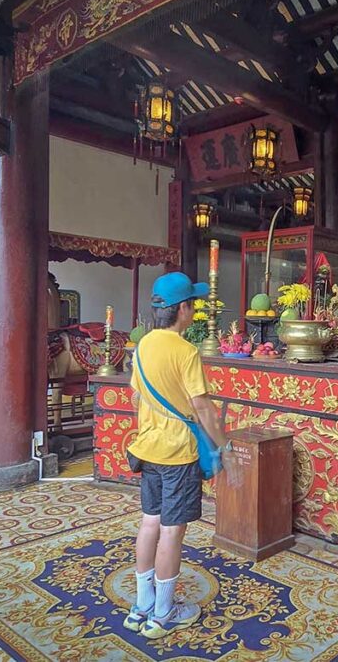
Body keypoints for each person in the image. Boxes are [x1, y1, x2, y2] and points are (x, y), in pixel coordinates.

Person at [123, 272, 231, 639]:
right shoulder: (185, 352)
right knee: (172, 530)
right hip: (178, 453)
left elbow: (136, 396)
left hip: (148, 448)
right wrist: (223, 446)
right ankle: (164, 612)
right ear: (182, 309)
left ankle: (141, 606)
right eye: (193, 305)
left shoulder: (143, 346)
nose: (194, 311)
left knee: (149, 522)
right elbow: (202, 408)